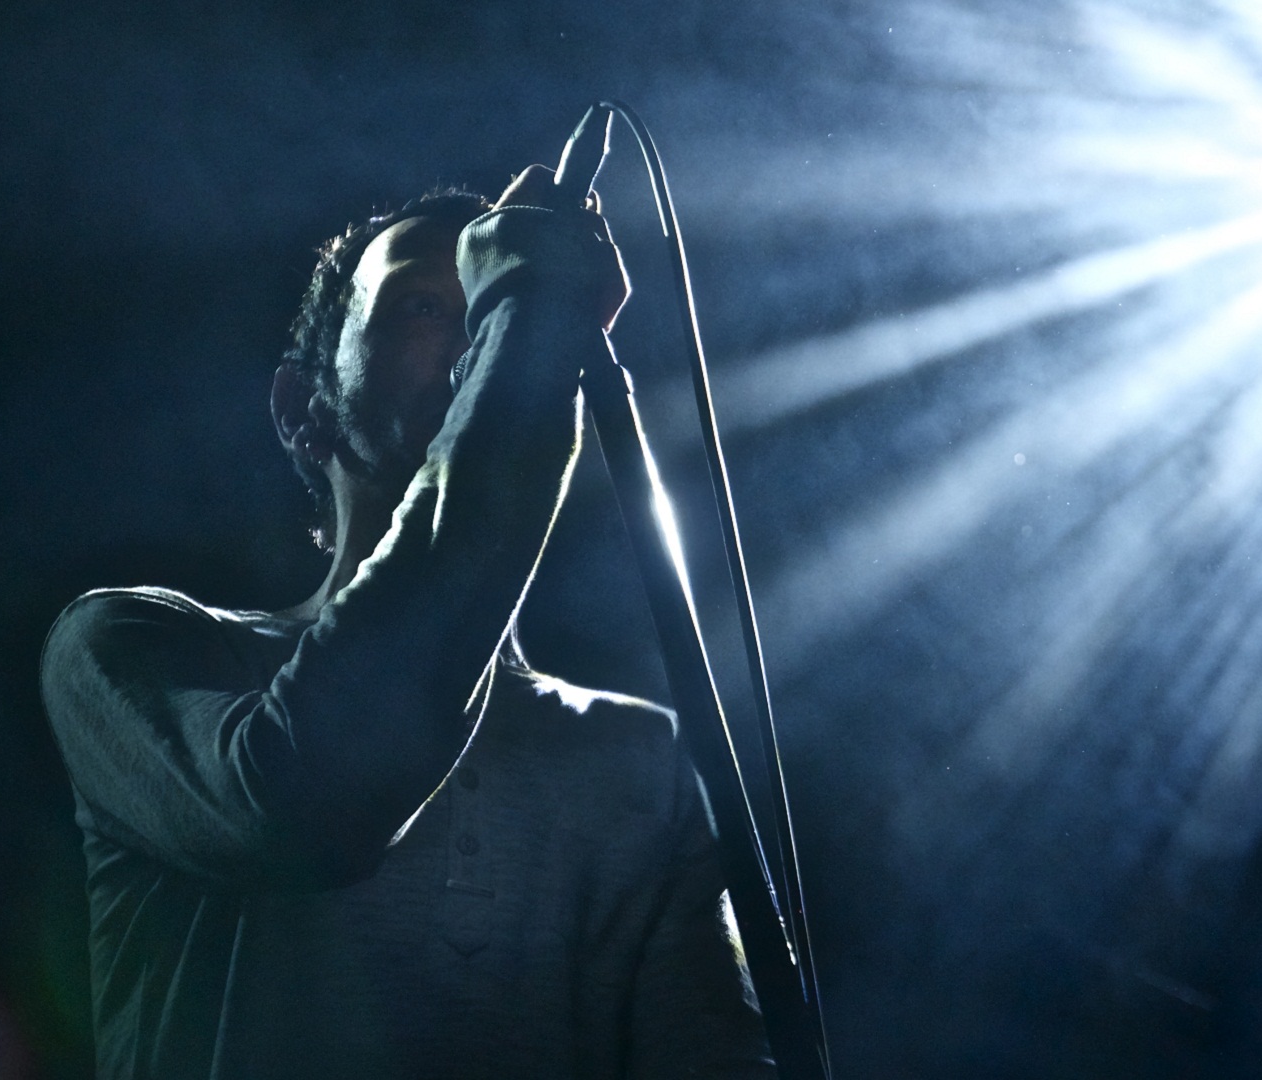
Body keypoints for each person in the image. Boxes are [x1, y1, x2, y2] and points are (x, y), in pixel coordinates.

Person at [39, 164, 775, 1079]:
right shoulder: (133, 648)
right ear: (303, 412)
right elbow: (300, 803)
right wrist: (524, 330)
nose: (479, 333)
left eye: (492, 304)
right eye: (425, 307)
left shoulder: (639, 757)